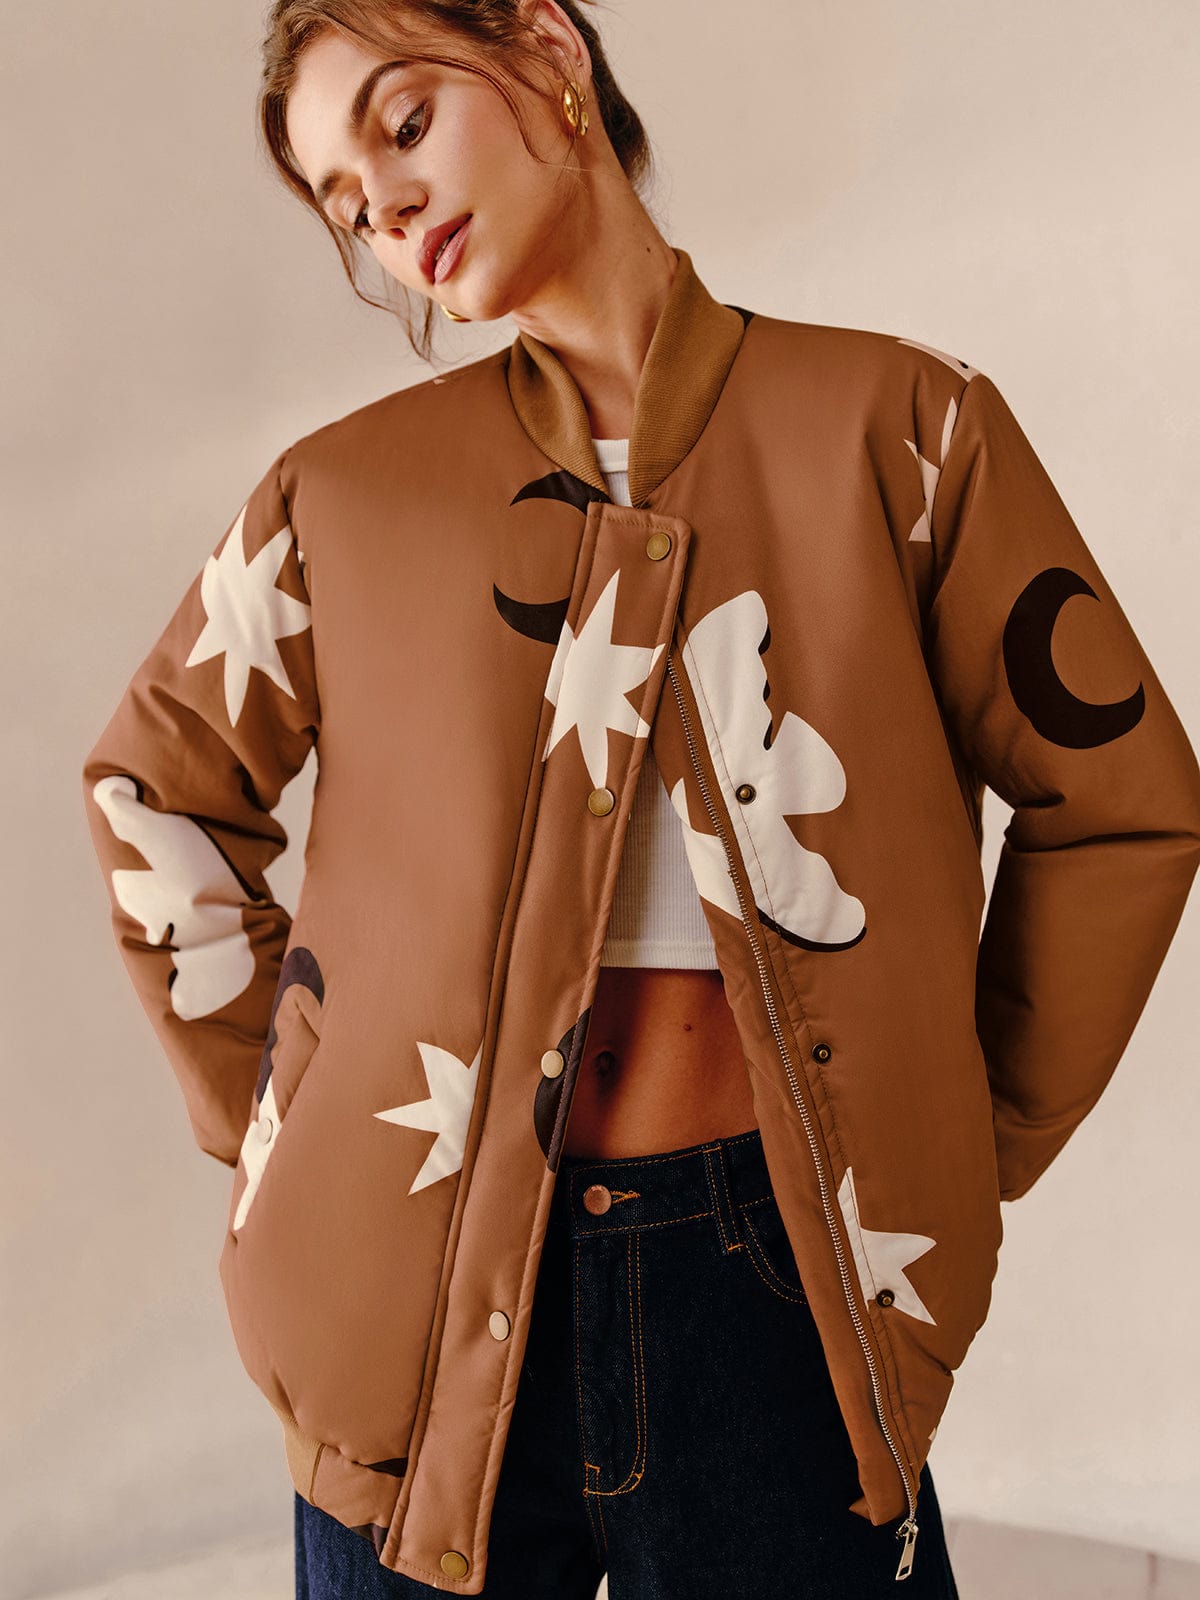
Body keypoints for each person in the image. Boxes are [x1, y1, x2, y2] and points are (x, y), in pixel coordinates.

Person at [80, 1, 1200, 1596]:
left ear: (548, 47)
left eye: (403, 123)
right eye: (344, 201)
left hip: (777, 1290)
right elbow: (154, 787)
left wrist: (965, 1126)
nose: (385, 208)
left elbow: (1121, 801)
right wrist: (290, 1119)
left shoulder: (904, 431)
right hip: (408, 1311)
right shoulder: (342, 494)